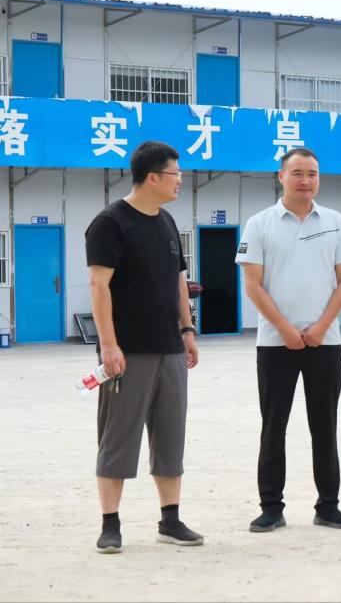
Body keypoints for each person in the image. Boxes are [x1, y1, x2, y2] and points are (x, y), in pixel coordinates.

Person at [84, 140, 202, 554]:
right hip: (127, 352)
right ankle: (110, 524)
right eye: (176, 174)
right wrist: (109, 345)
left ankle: (170, 519)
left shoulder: (167, 221)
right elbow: (99, 285)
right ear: (153, 177)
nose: (181, 181)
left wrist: (187, 330)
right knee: (118, 437)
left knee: (170, 437)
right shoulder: (110, 223)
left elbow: (178, 281)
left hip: (170, 349)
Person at [236, 148, 341, 533]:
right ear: (281, 177)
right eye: (297, 173)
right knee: (273, 426)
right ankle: (271, 507)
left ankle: (328, 505)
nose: (306, 181)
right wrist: (285, 329)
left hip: (326, 341)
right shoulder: (259, 224)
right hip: (276, 344)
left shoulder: (336, 222)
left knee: (325, 425)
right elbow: (253, 285)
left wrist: (321, 326)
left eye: (312, 173)